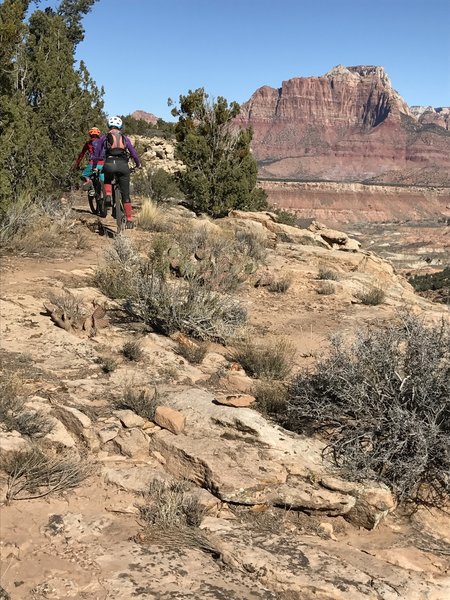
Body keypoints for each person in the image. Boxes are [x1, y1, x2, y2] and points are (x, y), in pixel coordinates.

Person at [92, 116, 141, 228]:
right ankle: (129, 220)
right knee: (126, 194)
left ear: (109, 126)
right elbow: (133, 153)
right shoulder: (125, 138)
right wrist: (138, 164)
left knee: (107, 177)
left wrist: (95, 166)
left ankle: (108, 195)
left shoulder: (104, 137)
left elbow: (97, 153)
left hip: (109, 164)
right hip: (123, 166)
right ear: (120, 126)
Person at [74, 127, 104, 192]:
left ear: (90, 135)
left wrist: (77, 164)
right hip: (102, 165)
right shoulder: (103, 143)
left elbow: (81, 155)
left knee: (84, 175)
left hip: (92, 164)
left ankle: (89, 182)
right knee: (103, 180)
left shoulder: (88, 144)